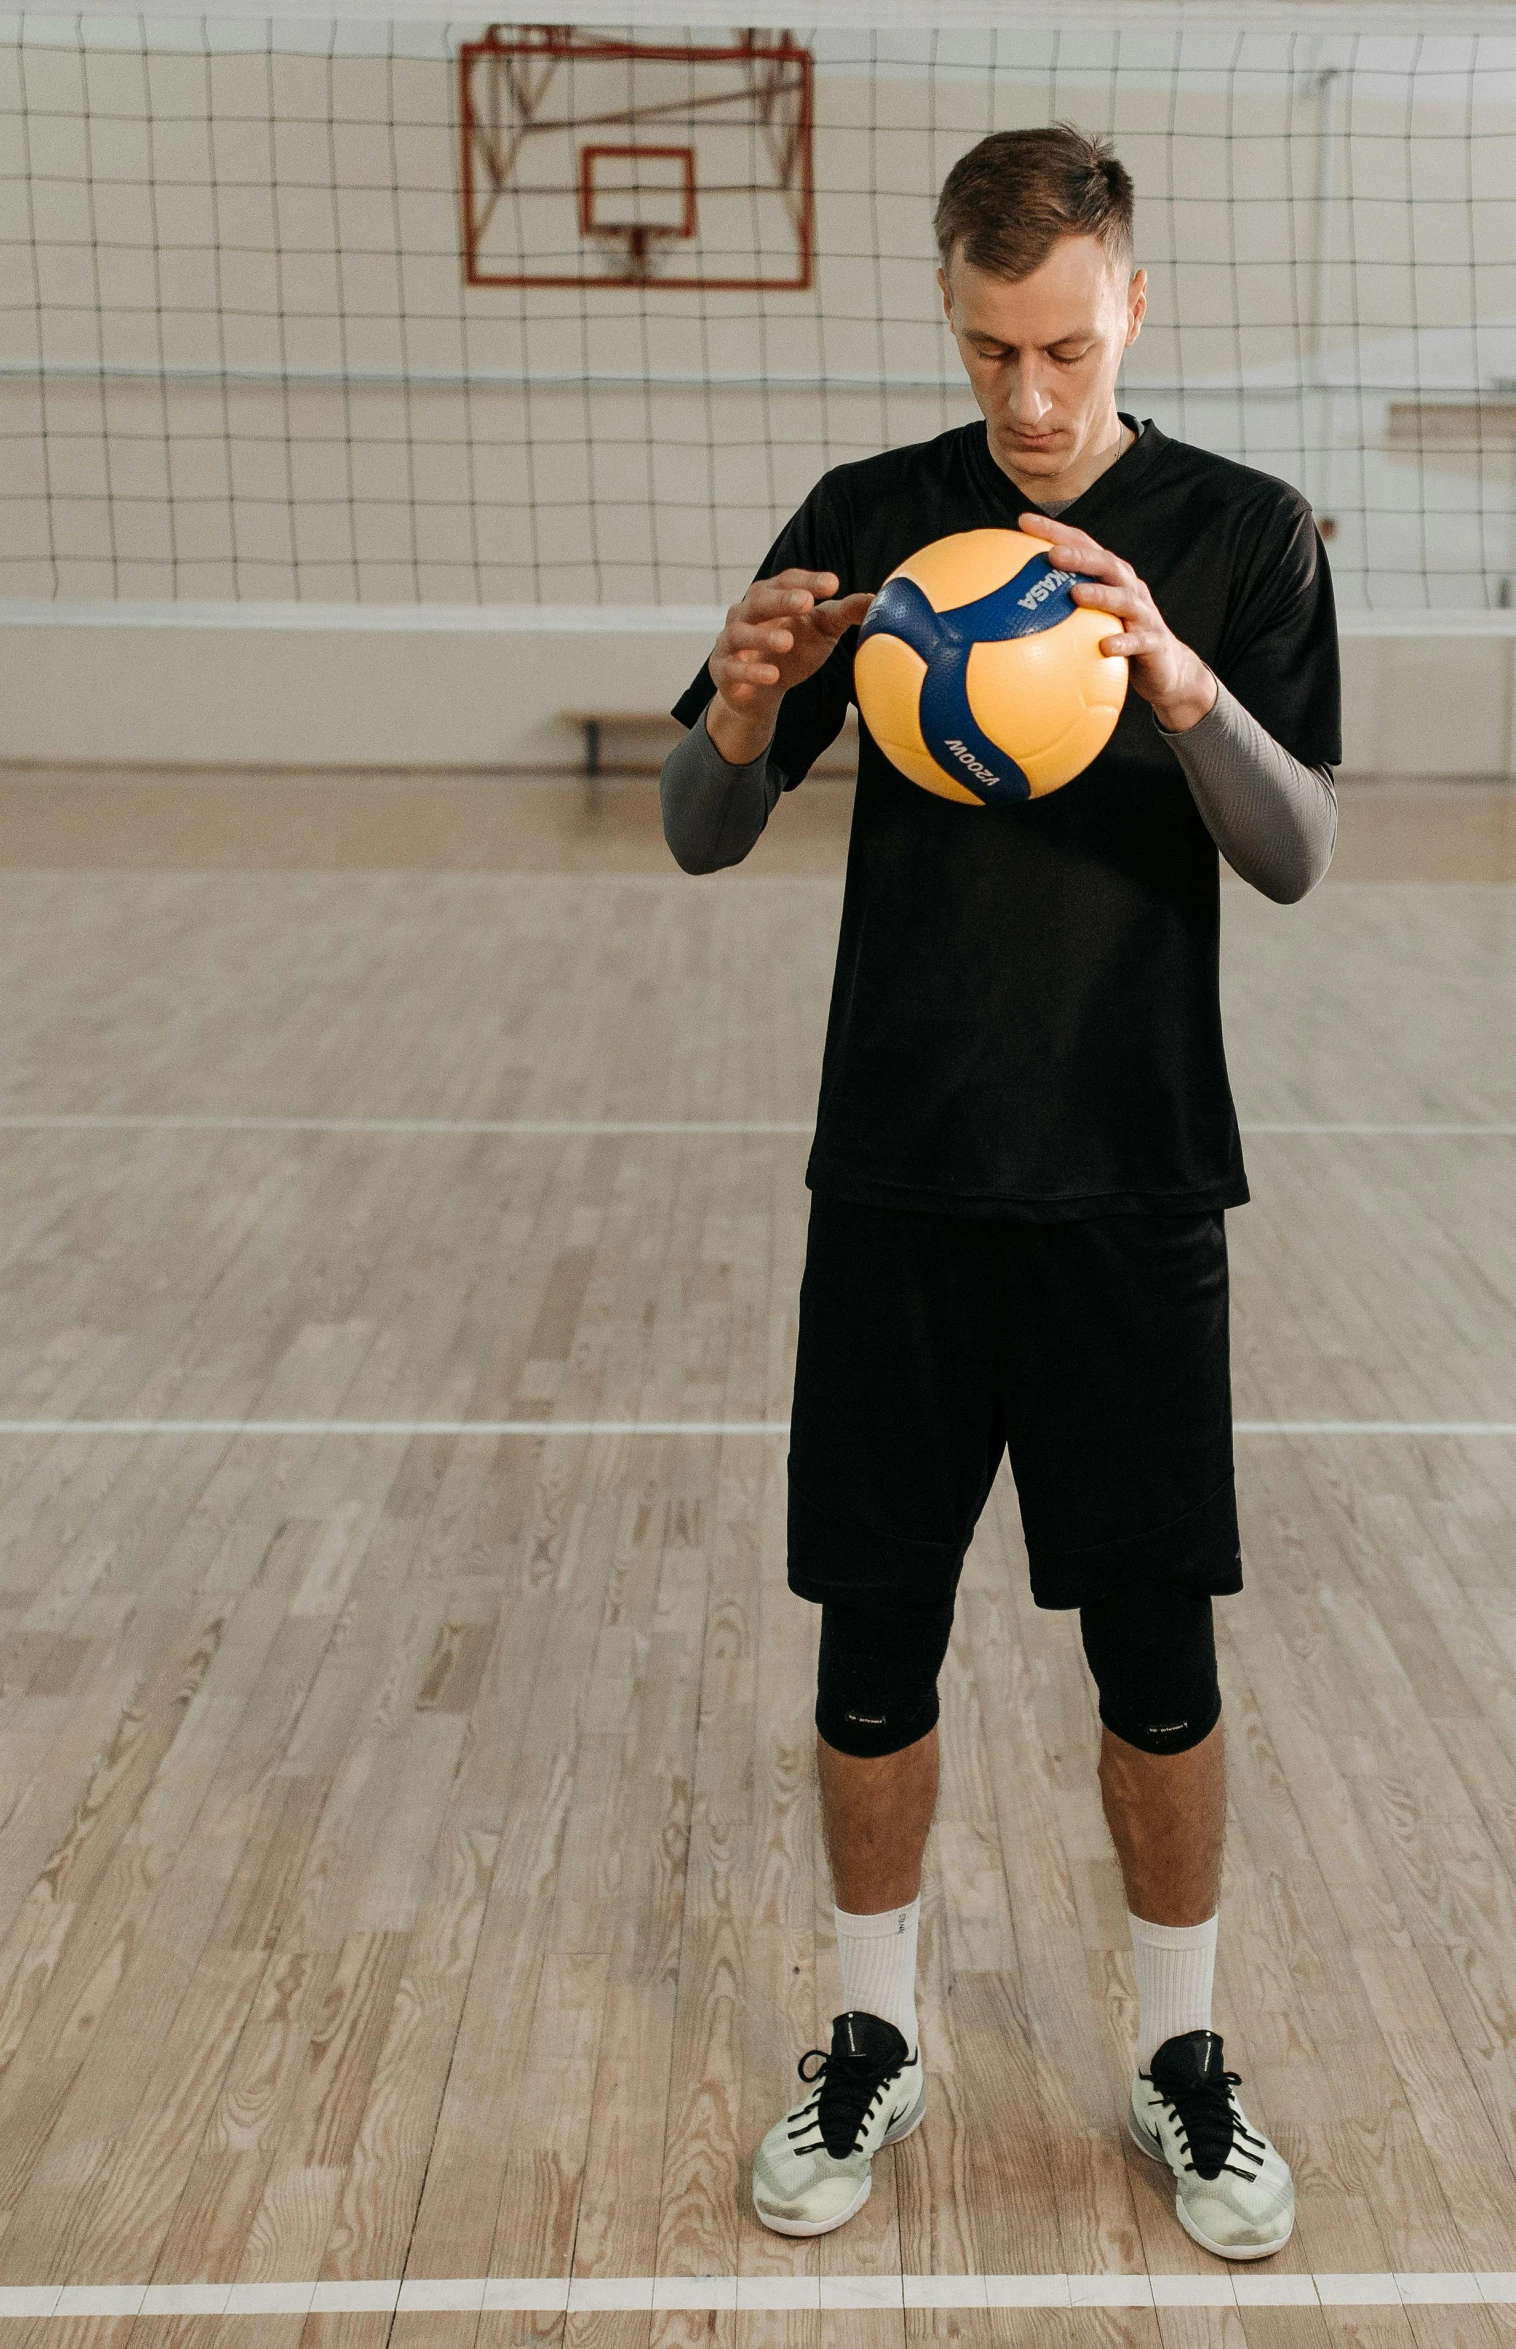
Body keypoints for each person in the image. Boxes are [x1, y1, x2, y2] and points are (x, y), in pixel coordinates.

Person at [660, 124, 1338, 2262]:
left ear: (1134, 301)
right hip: (900, 1178)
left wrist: (1180, 681)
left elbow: (1297, 849)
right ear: (949, 316)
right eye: (986, 350)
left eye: (1060, 345)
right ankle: (870, 2036)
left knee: (1154, 1649)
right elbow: (698, 826)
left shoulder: (1239, 532)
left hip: (1133, 1181)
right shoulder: (875, 526)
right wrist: (749, 704)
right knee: (873, 1639)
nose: (1027, 400)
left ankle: (1182, 2055)